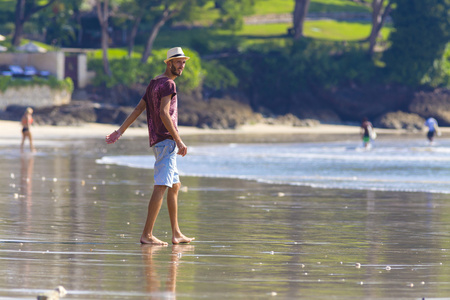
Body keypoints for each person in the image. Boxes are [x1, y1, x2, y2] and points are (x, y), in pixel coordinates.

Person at [106, 47, 194, 246]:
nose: (182, 65)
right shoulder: (169, 84)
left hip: (159, 142)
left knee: (175, 185)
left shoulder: (155, 83)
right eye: (178, 62)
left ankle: (176, 233)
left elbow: (139, 108)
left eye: (183, 62)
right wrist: (178, 140)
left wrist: (119, 132)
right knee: (162, 186)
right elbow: (164, 113)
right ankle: (147, 234)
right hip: (167, 141)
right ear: (169, 63)